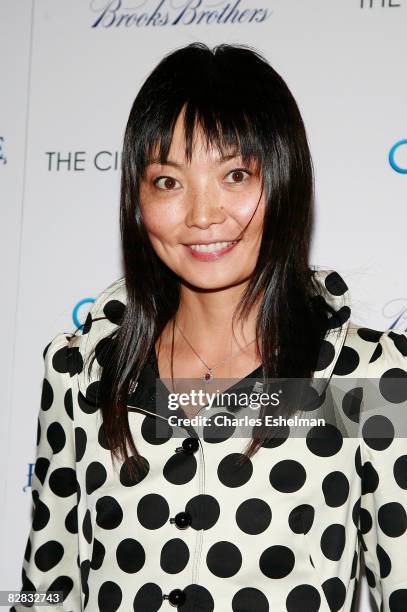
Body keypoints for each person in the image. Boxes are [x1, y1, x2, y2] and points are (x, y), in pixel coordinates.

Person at [12, 42, 407, 612]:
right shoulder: (81, 373)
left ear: (286, 181)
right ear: (137, 197)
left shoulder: (368, 378)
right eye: (168, 182)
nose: (202, 214)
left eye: (236, 174)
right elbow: (44, 594)